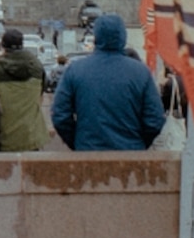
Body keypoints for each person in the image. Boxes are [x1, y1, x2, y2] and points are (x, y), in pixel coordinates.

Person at [49, 13, 167, 152]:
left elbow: (59, 115)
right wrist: (139, 143)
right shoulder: (141, 72)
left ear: (96, 37)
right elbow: (155, 119)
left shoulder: (75, 70)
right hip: (130, 153)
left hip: (88, 152)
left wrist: (77, 141)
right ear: (123, 37)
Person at [0, 27, 53, 152]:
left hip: (2, 139)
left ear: (3, 46)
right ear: (22, 45)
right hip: (31, 137)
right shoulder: (37, 67)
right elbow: (40, 97)